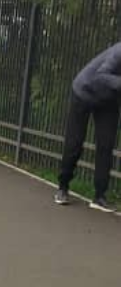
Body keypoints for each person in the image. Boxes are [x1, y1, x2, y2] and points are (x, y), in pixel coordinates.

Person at [55, 42, 121, 212]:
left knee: (106, 145)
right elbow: (101, 75)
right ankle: (63, 187)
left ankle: (99, 196)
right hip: (84, 91)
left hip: (108, 100)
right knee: (75, 143)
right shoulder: (119, 51)